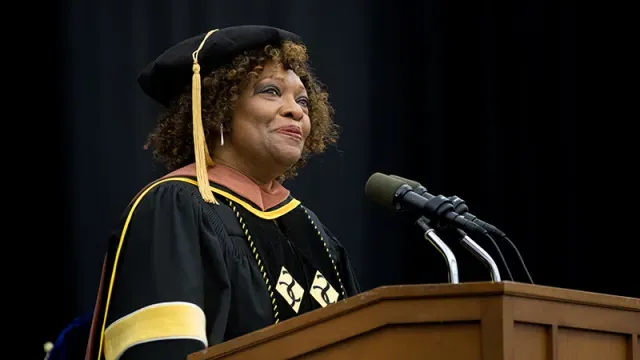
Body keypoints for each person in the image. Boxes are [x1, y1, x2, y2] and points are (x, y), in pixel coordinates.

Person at [79, 25, 362, 360]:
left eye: (302, 99)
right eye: (271, 91)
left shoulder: (312, 230)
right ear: (218, 110)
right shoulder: (175, 207)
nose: (296, 110)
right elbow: (163, 349)